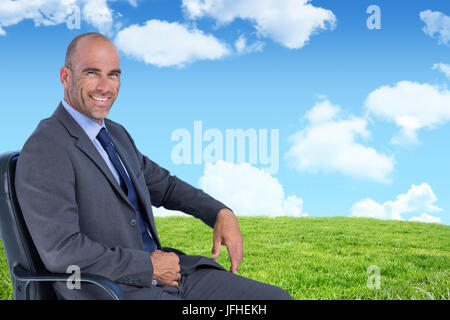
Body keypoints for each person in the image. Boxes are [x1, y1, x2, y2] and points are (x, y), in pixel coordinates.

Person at [14, 32, 291, 300]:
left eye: (114, 74)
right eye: (91, 72)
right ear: (65, 77)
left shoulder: (116, 134)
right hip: (113, 290)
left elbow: (166, 186)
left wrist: (219, 211)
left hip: (171, 277)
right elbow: (63, 252)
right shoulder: (46, 148)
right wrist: (149, 266)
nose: (105, 86)